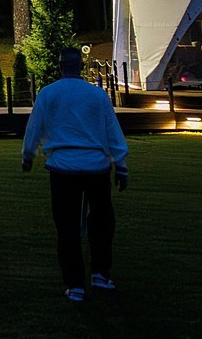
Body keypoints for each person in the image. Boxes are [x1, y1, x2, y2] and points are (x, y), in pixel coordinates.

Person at [20, 46, 129, 302]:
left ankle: (75, 283)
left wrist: (28, 156)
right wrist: (120, 165)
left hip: (63, 167)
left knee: (67, 225)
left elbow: (34, 128)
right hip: (96, 166)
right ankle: (100, 273)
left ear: (60, 66)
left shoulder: (49, 93)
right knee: (102, 222)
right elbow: (112, 130)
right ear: (81, 66)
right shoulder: (97, 95)